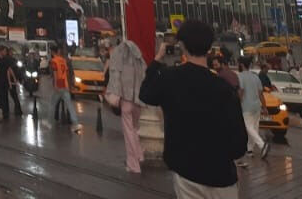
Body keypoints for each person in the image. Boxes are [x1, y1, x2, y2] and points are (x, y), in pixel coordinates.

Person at [138, 20, 248, 198]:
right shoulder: (224, 88)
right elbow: (239, 144)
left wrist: (157, 59)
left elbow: (145, 94)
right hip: (222, 176)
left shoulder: (169, 78)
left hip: (187, 173)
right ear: (209, 48)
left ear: (182, 45)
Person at [105, 34, 148, 174]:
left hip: (126, 100)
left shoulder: (118, 57)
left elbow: (115, 78)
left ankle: (133, 164)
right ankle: (140, 155)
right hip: (138, 100)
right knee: (135, 129)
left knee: (128, 133)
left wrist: (115, 96)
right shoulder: (140, 60)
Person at [235, 54, 268, 165]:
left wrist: (237, 103)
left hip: (246, 106)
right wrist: (264, 107)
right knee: (254, 128)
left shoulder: (240, 76)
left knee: (248, 127)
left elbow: (241, 92)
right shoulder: (255, 77)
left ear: (241, 65)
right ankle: (250, 150)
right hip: (256, 106)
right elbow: (261, 93)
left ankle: (262, 145)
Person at [50, 45, 81, 131]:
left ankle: (56, 116)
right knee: (67, 101)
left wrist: (55, 83)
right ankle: (69, 118)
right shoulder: (66, 61)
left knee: (58, 100)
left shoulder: (58, 60)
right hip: (65, 82)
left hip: (61, 82)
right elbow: (70, 73)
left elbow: (55, 73)